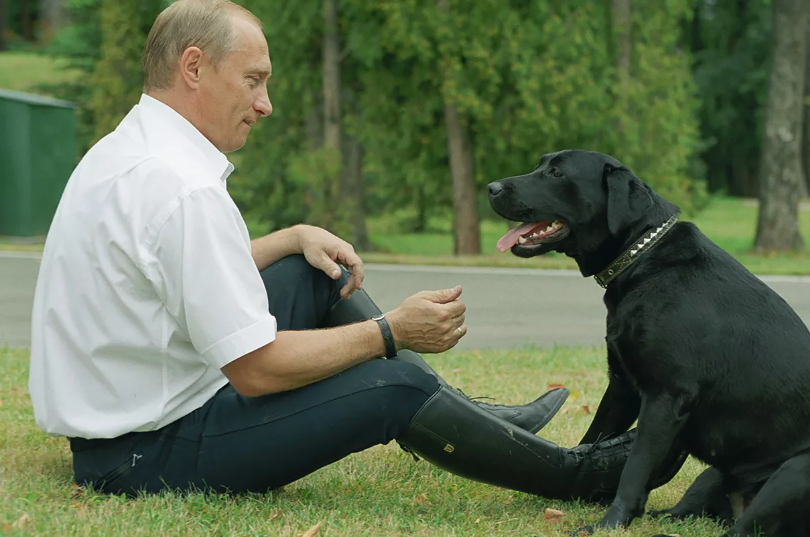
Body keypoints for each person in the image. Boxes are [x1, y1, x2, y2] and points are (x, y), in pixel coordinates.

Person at [29, 0, 663, 503]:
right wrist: (392, 332)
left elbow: (167, 273)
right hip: (142, 455)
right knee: (394, 381)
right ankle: (579, 474)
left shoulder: (126, 148)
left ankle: (472, 420)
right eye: (252, 80)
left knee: (313, 274)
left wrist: (290, 238)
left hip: (116, 426)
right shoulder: (180, 186)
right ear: (193, 68)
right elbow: (254, 369)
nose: (264, 104)